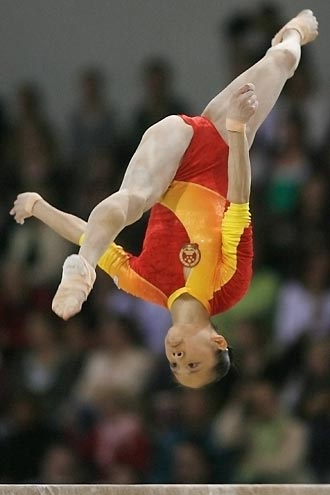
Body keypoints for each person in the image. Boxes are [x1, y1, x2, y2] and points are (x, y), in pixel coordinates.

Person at [10, 10, 318, 389]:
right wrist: (238, 129)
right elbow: (239, 201)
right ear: (218, 341)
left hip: (166, 160)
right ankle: (290, 33)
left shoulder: (148, 286)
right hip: (218, 147)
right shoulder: (228, 287)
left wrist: (39, 207)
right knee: (283, 60)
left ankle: (80, 271)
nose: (177, 360)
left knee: (131, 202)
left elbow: (88, 232)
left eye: (177, 368)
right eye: (193, 364)